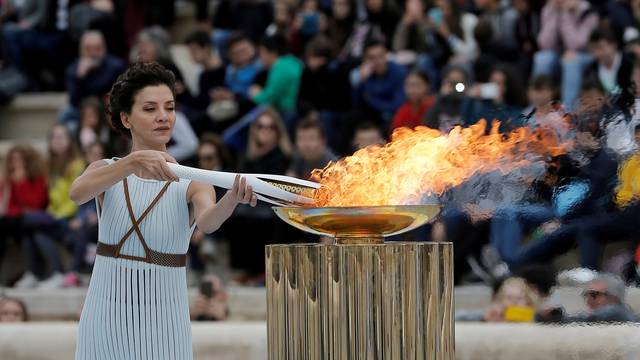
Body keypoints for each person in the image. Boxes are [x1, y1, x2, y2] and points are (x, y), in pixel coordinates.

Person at [70, 62, 257, 359]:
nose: (163, 117)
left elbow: (208, 222)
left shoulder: (194, 179)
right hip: (103, 316)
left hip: (165, 321)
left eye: (169, 108)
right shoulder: (106, 170)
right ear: (126, 119)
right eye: (150, 109)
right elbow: (77, 193)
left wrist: (231, 199)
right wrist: (132, 163)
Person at [226, 107, 292, 285]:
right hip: (251, 201)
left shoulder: (282, 156)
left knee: (264, 219)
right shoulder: (248, 156)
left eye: (270, 127)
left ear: (277, 131)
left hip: (271, 202)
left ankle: (263, 271)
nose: (265, 131)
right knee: (237, 215)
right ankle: (247, 270)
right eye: (260, 126)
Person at [20, 124, 86, 289]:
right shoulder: (49, 166)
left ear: (70, 141)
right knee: (33, 232)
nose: (58, 141)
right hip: (54, 217)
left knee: (29, 224)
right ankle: (36, 273)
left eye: (62, 137)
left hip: (69, 218)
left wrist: (56, 216)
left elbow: (76, 197)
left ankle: (52, 273)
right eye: (54, 137)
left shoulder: (77, 164)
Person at [532, 0, 599, 110]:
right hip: (561, 56)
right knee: (542, 58)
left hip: (586, 55)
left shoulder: (585, 9)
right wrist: (554, 17)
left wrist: (565, 15)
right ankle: (539, 107)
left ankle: (568, 111)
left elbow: (577, 44)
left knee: (571, 61)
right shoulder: (549, 9)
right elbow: (544, 44)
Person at [0, 145, 48, 287]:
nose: (16, 163)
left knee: (24, 231)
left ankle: (33, 273)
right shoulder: (8, 180)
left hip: (31, 220)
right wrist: (10, 183)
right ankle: (32, 273)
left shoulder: (37, 179)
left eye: (20, 160)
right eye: (13, 160)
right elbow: (7, 207)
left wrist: (21, 183)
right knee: (5, 231)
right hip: (16, 223)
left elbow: (36, 203)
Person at [60, 30, 126, 128]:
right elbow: (73, 100)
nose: (93, 53)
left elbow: (119, 95)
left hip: (107, 111)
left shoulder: (116, 67)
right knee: (66, 118)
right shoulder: (73, 69)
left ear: (104, 48)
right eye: (88, 49)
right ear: (81, 50)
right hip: (81, 112)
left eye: (97, 48)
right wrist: (80, 77)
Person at [350, 38, 407, 126]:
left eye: (381, 56)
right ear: (365, 60)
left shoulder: (399, 72)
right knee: (351, 117)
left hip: (390, 115)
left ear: (386, 55)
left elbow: (398, 104)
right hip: (371, 115)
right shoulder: (365, 73)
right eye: (372, 58)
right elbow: (356, 104)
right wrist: (362, 81)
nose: (378, 61)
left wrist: (371, 100)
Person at [250, 33, 304, 121]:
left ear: (271, 52)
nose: (260, 58)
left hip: (290, 112)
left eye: (261, 53)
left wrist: (256, 95)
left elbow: (269, 97)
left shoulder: (280, 66)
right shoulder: (293, 61)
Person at [584, 27, 635, 109]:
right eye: (594, 49)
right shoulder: (592, 69)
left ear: (614, 44)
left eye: (601, 47)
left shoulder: (629, 63)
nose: (598, 53)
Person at [565, 273, 637, 322]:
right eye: (586, 295)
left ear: (614, 298)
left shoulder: (617, 313)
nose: (588, 300)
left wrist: (558, 317)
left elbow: (588, 319)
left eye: (594, 295)